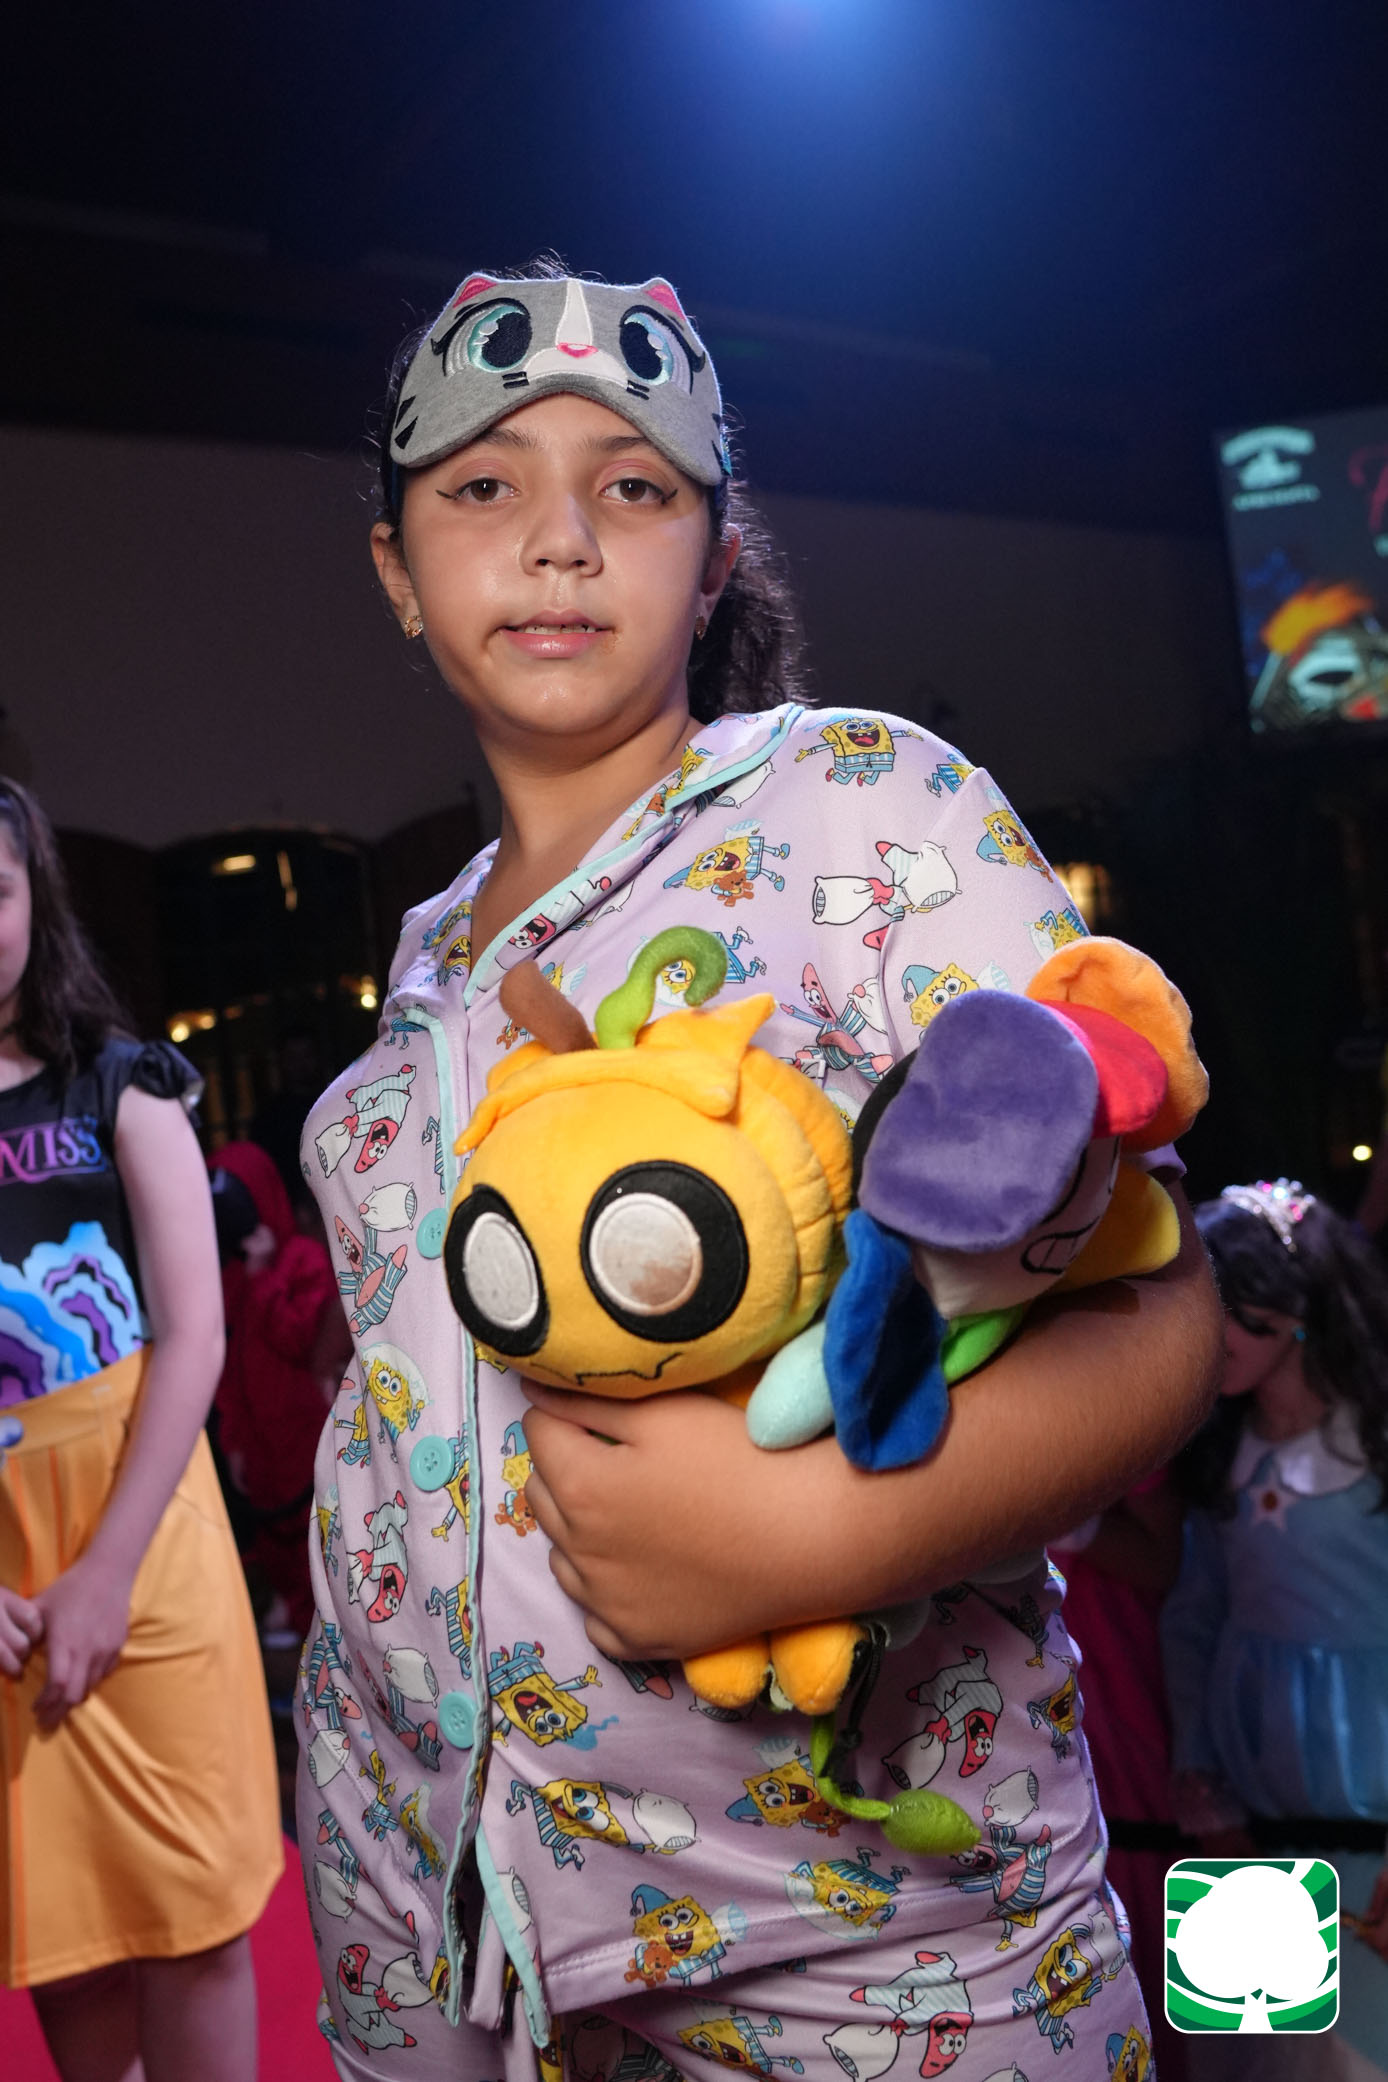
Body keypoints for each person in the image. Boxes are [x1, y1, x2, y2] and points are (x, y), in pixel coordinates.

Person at [296, 262, 1221, 2079]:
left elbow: (1164, 1303)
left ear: (715, 559)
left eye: (632, 485)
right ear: (397, 569)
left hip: (868, 1929)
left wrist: (811, 1536)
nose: (559, 537)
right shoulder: (421, 965)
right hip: (422, 1887)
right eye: (481, 484)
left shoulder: (857, 807)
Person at [0, 780, 283, 2082]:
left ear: (34, 900)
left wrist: (108, 1569)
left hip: (142, 1519)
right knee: (68, 1931)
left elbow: (194, 1334)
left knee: (192, 1912)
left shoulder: (119, 1080)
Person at [1164, 1180, 1388, 2078]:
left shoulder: (1373, 1446)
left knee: (1361, 2057)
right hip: (1246, 1825)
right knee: (1247, 2056)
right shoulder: (1217, 1447)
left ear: (1292, 1312)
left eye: (1232, 1309)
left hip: (1372, 1834)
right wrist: (1203, 1787)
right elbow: (1194, 1617)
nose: (1209, 1334)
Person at [211, 1139, 344, 1643]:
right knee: (276, 1546)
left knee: (315, 1536)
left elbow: (299, 1337)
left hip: (300, 1436)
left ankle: (319, 1629)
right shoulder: (229, 1276)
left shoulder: (301, 1258)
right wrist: (234, 1443)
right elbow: (226, 1364)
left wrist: (264, 1277)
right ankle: (295, 1624)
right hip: (260, 1444)